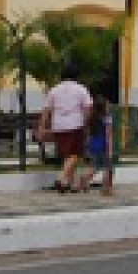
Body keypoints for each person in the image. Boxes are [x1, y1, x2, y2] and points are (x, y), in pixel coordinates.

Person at [36, 63, 92, 193]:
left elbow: (46, 110)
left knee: (67, 155)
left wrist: (41, 127)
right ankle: (61, 178)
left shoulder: (54, 90)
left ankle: (70, 183)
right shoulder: (81, 89)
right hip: (75, 124)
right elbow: (87, 108)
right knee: (75, 155)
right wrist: (86, 123)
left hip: (59, 126)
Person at [78, 89, 115, 196]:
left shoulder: (91, 118)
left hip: (94, 144)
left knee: (95, 166)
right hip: (103, 144)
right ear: (104, 107)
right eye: (107, 105)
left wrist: (88, 144)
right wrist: (110, 149)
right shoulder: (107, 118)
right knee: (108, 167)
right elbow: (109, 134)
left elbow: (88, 133)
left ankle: (84, 179)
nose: (109, 106)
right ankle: (106, 189)